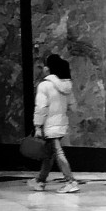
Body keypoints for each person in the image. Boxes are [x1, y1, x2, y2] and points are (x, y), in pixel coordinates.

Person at [29, 53, 79, 192]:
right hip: (62, 123)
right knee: (49, 154)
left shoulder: (44, 86)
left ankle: (70, 181)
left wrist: (38, 126)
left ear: (48, 68)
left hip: (49, 124)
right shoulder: (67, 85)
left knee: (57, 152)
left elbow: (41, 107)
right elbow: (73, 106)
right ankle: (40, 180)